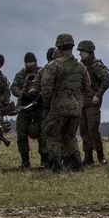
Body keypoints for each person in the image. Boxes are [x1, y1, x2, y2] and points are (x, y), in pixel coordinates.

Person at [40, 34, 90, 173]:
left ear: (59, 46)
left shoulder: (54, 65)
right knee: (69, 136)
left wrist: (48, 104)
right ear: (72, 47)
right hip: (75, 109)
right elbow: (87, 86)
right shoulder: (81, 67)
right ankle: (77, 164)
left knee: (52, 136)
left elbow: (46, 88)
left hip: (59, 107)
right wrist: (79, 101)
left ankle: (57, 166)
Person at [77, 40, 109, 165]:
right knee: (84, 131)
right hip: (82, 103)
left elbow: (107, 80)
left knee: (93, 130)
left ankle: (101, 156)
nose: (80, 54)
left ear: (88, 51)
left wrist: (98, 95)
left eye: (82, 51)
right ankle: (88, 158)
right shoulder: (80, 66)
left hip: (92, 104)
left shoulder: (95, 65)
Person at [11, 52, 44, 168]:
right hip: (24, 108)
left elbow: (46, 86)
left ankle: (44, 160)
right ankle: (25, 161)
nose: (29, 64)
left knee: (42, 133)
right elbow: (13, 87)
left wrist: (38, 96)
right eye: (27, 62)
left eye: (31, 61)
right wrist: (22, 94)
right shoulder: (21, 74)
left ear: (35, 61)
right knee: (21, 134)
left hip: (38, 108)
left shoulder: (41, 72)